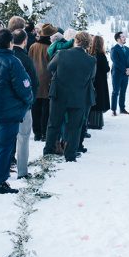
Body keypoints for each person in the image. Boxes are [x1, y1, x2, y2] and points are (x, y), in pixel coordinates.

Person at [0, 29, 34, 193]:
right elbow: (24, 86)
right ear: (10, 43)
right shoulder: (12, 62)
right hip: (8, 111)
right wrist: (28, 100)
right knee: (5, 146)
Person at [44, 31, 97, 161]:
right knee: (75, 127)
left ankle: (48, 151)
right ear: (88, 44)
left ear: (76, 41)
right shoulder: (91, 60)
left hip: (59, 94)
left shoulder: (62, 54)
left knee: (53, 124)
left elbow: (50, 67)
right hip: (79, 96)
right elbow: (91, 77)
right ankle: (70, 155)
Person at [11, 29, 40, 179]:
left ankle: (4, 167)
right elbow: (34, 82)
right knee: (23, 138)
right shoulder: (25, 59)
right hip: (22, 105)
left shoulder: (6, 57)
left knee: (5, 138)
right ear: (25, 41)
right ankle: (22, 171)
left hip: (6, 104)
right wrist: (29, 101)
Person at [28, 24, 55, 141]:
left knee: (35, 107)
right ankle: (44, 132)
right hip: (48, 79)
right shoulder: (50, 48)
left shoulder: (33, 46)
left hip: (35, 79)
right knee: (46, 108)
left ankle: (37, 133)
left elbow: (29, 62)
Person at [88, 35, 110, 130]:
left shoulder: (90, 54)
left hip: (92, 81)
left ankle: (90, 121)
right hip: (100, 81)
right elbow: (106, 68)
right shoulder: (101, 55)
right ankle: (96, 123)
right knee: (99, 101)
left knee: (93, 100)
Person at [110, 31, 129, 115]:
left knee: (123, 91)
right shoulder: (114, 49)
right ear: (118, 39)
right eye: (123, 37)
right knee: (115, 92)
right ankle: (113, 110)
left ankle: (122, 109)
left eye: (124, 36)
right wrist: (125, 70)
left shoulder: (128, 49)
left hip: (126, 74)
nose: (125, 38)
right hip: (117, 73)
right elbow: (116, 62)